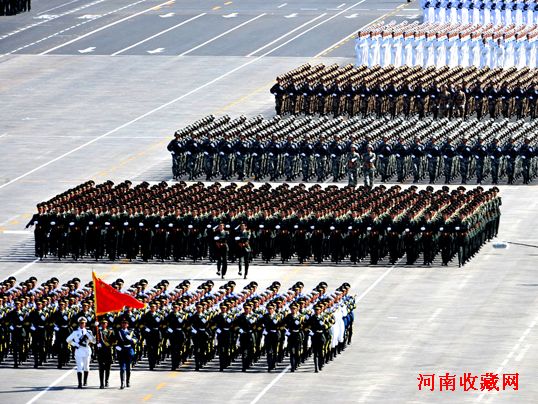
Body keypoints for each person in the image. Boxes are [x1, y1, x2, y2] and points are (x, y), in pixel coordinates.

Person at [66, 317, 96, 389]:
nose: (82, 324)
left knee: (86, 366)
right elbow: (68, 340)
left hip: (87, 350)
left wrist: (91, 336)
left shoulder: (88, 332)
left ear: (85, 324)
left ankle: (85, 381)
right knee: (79, 367)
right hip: (79, 351)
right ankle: (80, 383)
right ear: (79, 324)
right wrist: (75, 344)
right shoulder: (75, 332)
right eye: (81, 323)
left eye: (83, 323)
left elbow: (94, 341)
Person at [116, 318, 137, 389]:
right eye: (123, 323)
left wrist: (131, 339)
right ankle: (122, 383)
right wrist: (117, 346)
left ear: (127, 325)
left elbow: (136, 339)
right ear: (121, 324)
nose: (124, 324)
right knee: (122, 368)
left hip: (129, 350)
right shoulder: (118, 332)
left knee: (128, 368)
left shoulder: (131, 332)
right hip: (121, 350)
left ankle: (128, 382)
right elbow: (114, 340)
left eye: (125, 323)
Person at [95, 318, 114, 389]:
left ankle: (106, 381)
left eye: (104, 323)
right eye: (102, 323)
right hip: (100, 352)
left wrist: (109, 344)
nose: (103, 324)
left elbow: (113, 341)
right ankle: (101, 383)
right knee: (101, 368)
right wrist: (97, 345)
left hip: (108, 352)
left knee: (108, 368)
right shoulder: (98, 331)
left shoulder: (110, 332)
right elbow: (94, 339)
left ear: (107, 324)